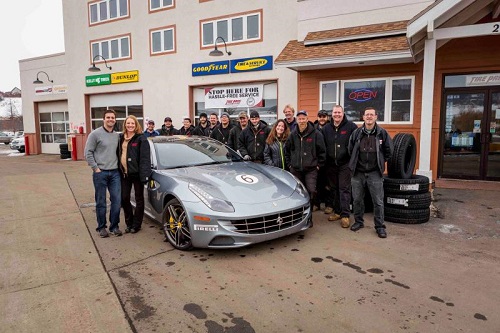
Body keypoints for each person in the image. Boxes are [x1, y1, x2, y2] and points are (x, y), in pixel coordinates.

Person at [348, 107, 393, 238]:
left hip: (375, 173)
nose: (369, 117)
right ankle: (358, 222)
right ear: (363, 117)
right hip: (358, 172)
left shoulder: (382, 133)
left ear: (375, 117)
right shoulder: (356, 133)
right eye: (366, 115)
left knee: (378, 201)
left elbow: (389, 150)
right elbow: (350, 149)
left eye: (371, 115)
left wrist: (380, 162)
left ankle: (380, 226)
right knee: (357, 200)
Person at [84, 109, 122, 238]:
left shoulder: (117, 136)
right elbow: (88, 152)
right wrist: (95, 168)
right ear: (103, 119)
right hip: (101, 173)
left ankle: (114, 226)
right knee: (101, 201)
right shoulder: (95, 134)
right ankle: (101, 227)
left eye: (113, 117)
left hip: (115, 173)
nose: (110, 119)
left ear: (115, 120)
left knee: (116, 200)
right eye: (108, 117)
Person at [323, 105, 358, 228]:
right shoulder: (326, 128)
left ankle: (345, 215)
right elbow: (323, 146)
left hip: (345, 164)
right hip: (331, 164)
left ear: (343, 114)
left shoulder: (351, 127)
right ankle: (337, 212)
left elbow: (356, 145)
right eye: (335, 112)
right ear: (331, 114)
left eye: (339, 112)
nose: (337, 114)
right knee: (334, 188)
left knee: (344, 189)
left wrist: (352, 161)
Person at [285, 110, 326, 209]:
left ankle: (309, 213)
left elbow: (322, 151)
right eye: (299, 119)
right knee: (297, 192)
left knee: (311, 190)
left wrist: (318, 165)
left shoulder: (316, 134)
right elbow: (287, 150)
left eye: (303, 118)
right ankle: (298, 212)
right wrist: (290, 164)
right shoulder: (292, 134)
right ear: (297, 120)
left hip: (311, 169)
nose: (301, 121)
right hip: (296, 169)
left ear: (307, 119)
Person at [118, 115, 151, 234]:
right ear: (125, 125)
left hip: (137, 174)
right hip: (124, 174)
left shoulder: (141, 139)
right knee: (124, 198)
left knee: (139, 200)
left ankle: (136, 225)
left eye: (132, 123)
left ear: (136, 125)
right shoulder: (121, 137)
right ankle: (129, 223)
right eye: (128, 123)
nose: (130, 125)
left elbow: (145, 159)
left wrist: (145, 175)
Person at [313, 109, 334, 213]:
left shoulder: (331, 128)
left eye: (324, 116)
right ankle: (316, 203)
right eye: (320, 116)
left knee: (328, 184)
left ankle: (329, 205)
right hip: (316, 160)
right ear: (317, 117)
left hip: (328, 161)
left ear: (327, 118)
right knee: (317, 184)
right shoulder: (313, 128)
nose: (322, 118)